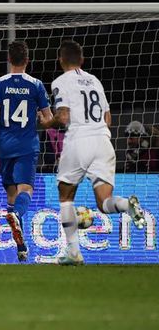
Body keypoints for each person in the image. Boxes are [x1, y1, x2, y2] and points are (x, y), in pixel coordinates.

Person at [39, 40, 146, 265]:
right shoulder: (95, 81)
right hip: (103, 141)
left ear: (60, 60)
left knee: (65, 196)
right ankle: (127, 205)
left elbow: (64, 116)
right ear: (82, 60)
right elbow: (108, 119)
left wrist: (48, 123)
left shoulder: (61, 81)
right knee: (104, 202)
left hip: (79, 140)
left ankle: (74, 252)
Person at [0, 41, 53, 262]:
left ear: (9, 59)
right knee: (26, 190)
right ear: (27, 60)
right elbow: (48, 119)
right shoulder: (36, 85)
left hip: (5, 146)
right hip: (27, 145)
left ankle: (22, 248)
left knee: (11, 195)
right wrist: (37, 122)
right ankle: (16, 215)